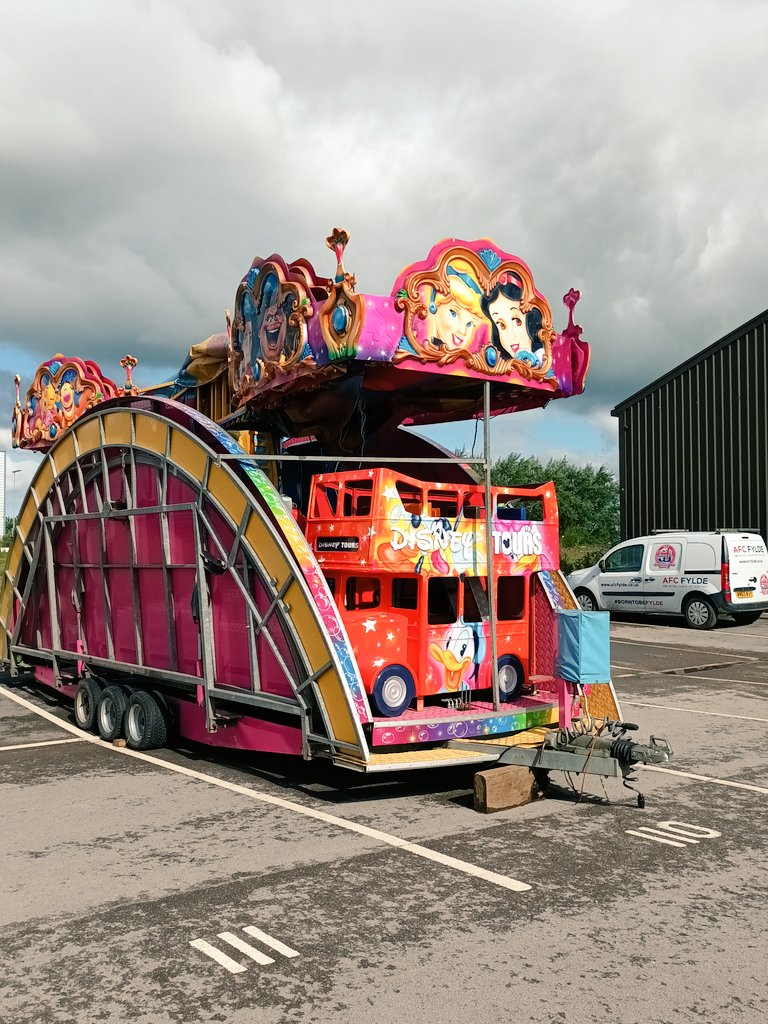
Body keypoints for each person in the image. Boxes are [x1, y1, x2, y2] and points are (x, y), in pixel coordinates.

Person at [481, 273, 544, 368]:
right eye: (502, 325)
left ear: (531, 321)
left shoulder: (543, 360)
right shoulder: (501, 367)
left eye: (517, 321)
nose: (511, 335)